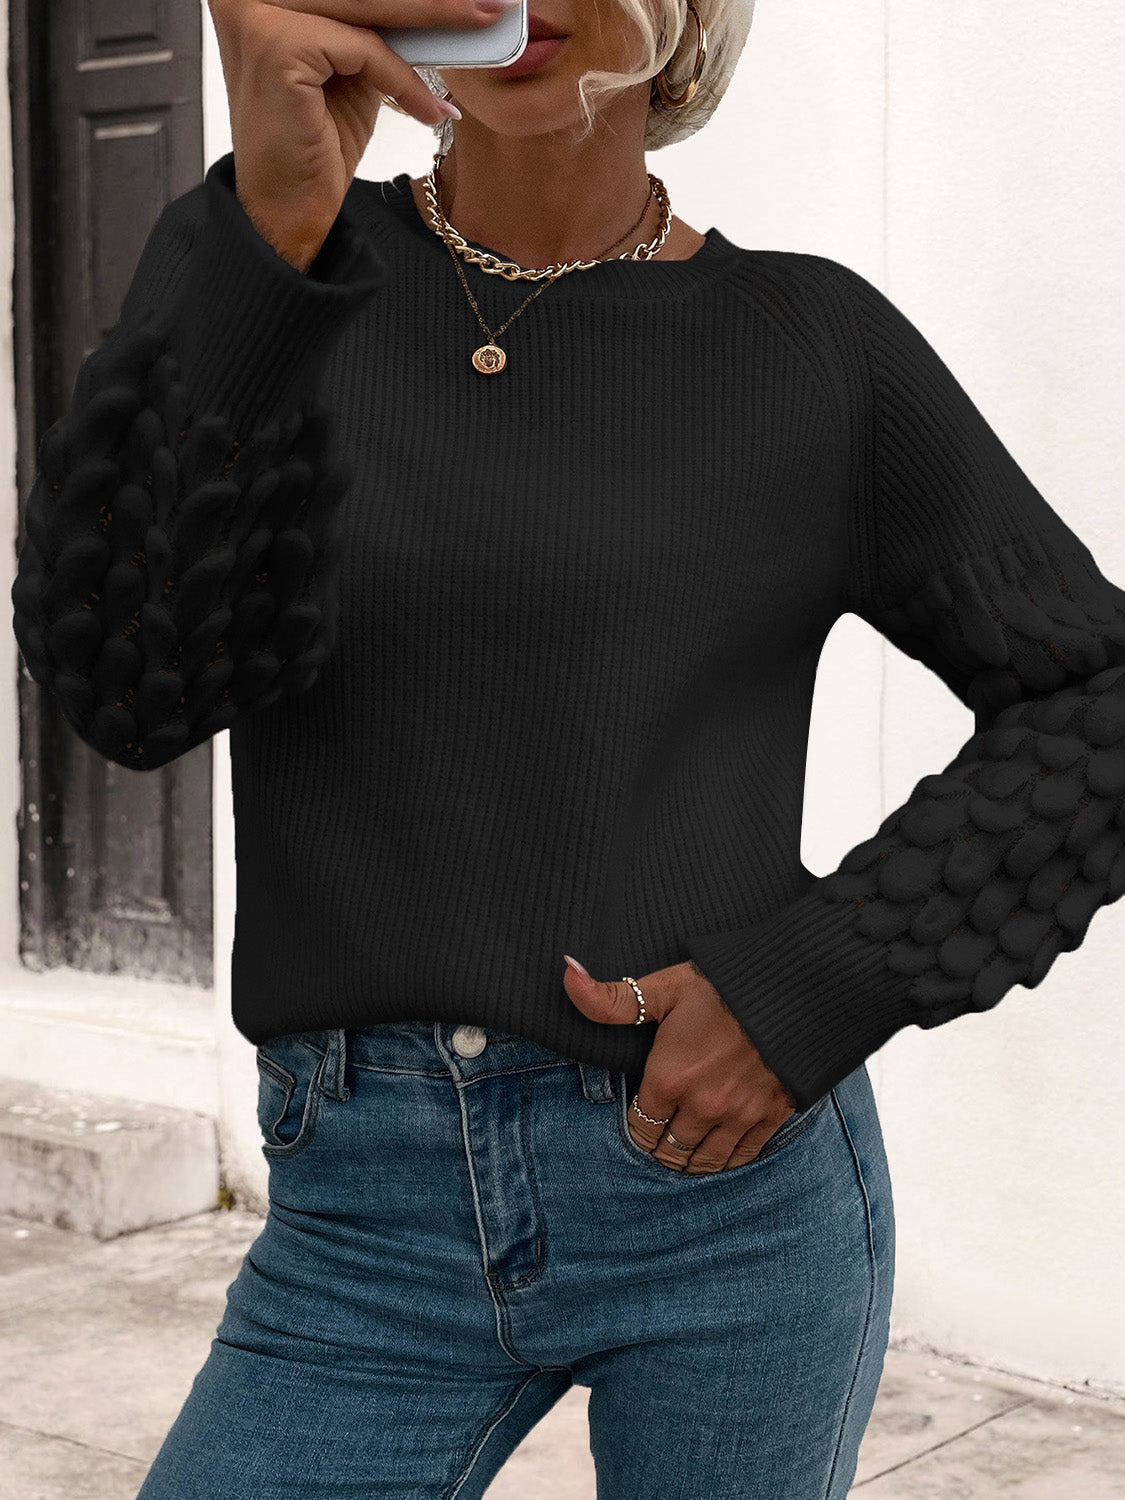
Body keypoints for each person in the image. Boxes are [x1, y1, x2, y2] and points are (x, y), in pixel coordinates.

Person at [11, 0, 1125, 1494]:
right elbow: (124, 690)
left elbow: (1095, 695)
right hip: (358, 1225)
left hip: (723, 1204)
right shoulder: (275, 277)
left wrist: (816, 982)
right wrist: (270, 228)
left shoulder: (813, 346)